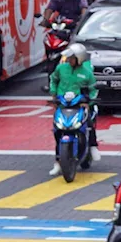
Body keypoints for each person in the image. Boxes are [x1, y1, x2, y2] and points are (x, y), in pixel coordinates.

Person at [47, 44, 99, 176]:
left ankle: (93, 146)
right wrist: (53, 94)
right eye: (68, 57)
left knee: (89, 124)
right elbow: (53, 80)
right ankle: (58, 162)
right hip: (63, 105)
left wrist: (89, 102)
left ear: (79, 58)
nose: (68, 59)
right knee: (57, 131)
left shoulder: (87, 73)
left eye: (72, 57)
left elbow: (94, 90)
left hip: (80, 106)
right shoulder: (61, 68)